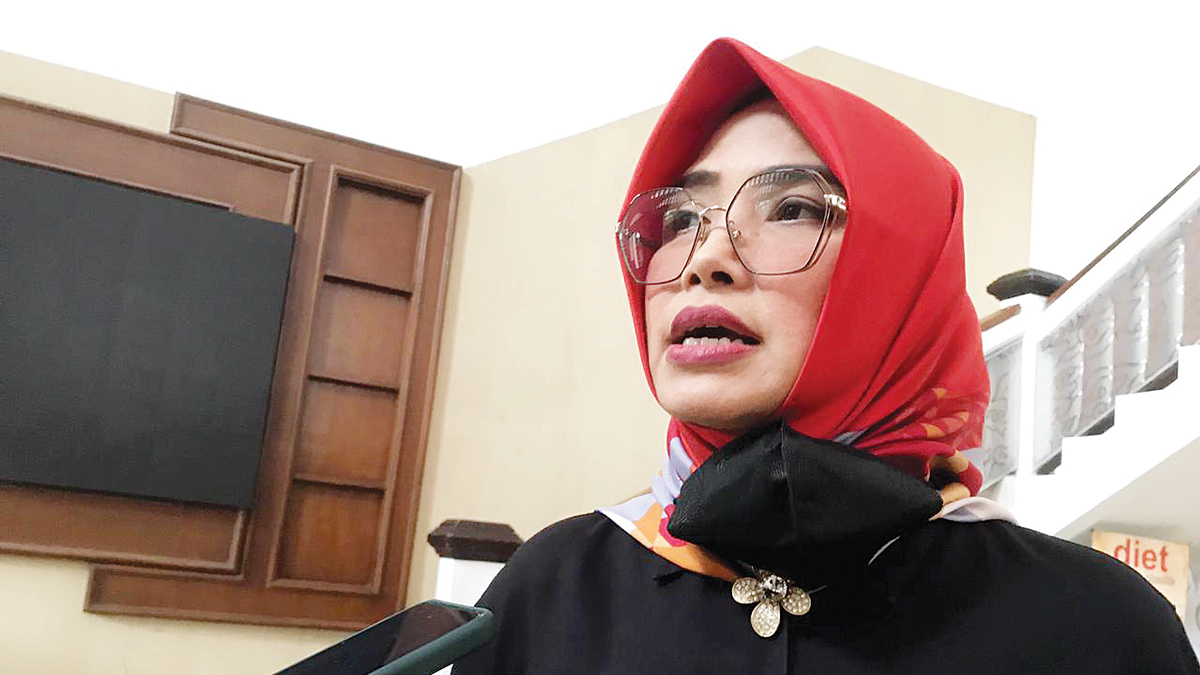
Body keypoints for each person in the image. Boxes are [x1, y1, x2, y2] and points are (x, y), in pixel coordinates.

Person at [452, 38, 1199, 674]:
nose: (704, 258)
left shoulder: (1096, 629)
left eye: (792, 209)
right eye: (678, 218)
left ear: (900, 273)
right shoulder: (548, 597)